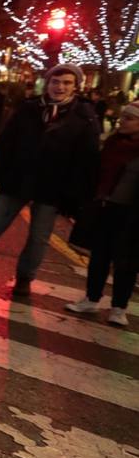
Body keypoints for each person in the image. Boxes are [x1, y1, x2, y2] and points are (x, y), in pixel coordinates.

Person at [0, 63, 99, 295]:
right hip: (17, 180)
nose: (60, 87)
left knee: (38, 238)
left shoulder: (84, 117)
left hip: (52, 188)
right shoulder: (29, 109)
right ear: (48, 82)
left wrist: (75, 196)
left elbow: (86, 160)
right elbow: (5, 145)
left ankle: (24, 278)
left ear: (76, 86)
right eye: (55, 81)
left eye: (66, 83)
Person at [64, 102, 139, 327]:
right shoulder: (112, 143)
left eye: (129, 118)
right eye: (122, 116)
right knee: (99, 256)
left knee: (126, 263)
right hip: (105, 207)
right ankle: (92, 298)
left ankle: (119, 308)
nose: (122, 121)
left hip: (132, 215)